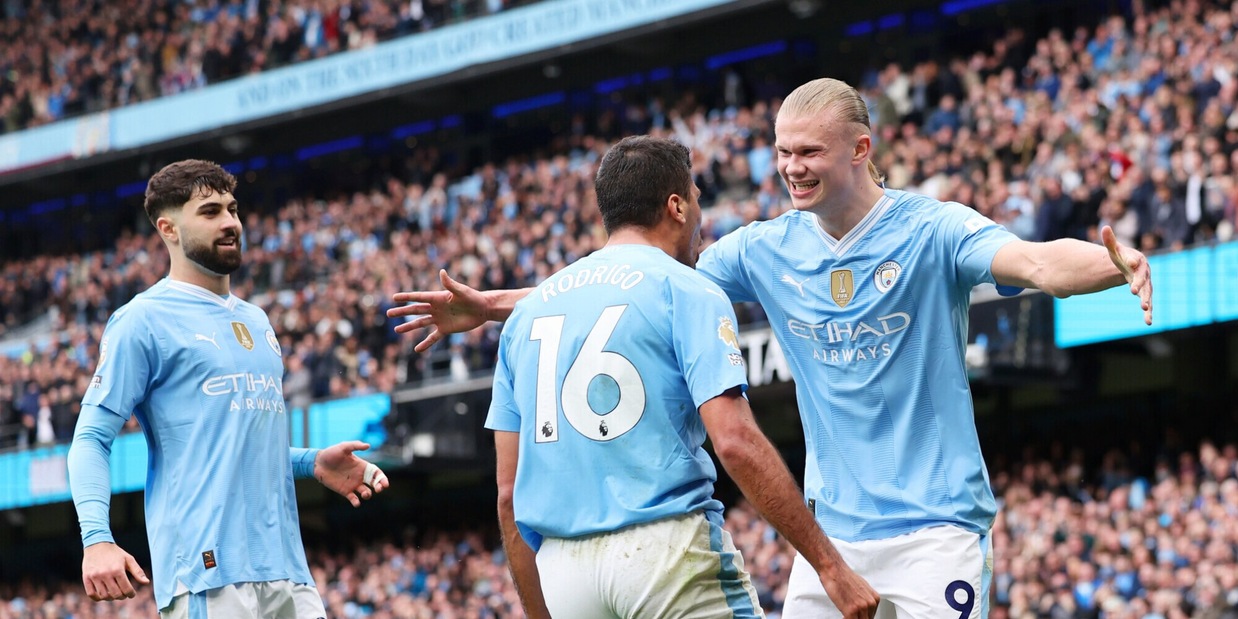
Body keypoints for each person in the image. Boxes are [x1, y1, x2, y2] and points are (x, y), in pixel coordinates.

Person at [388, 78, 1154, 618]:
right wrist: (490, 305)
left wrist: (1114, 263)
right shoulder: (763, 248)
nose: (790, 167)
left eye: (808, 152)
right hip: (834, 534)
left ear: (860, 148)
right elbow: (632, 284)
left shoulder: (932, 229)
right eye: (783, 152)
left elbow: (1040, 263)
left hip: (935, 530)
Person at [481, 136, 877, 618]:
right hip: (665, 555)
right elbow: (734, 442)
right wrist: (829, 566)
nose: (700, 216)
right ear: (676, 207)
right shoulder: (686, 287)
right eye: (696, 199)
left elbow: (507, 496)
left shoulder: (525, 316)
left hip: (563, 573)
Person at [68, 160, 390, 618]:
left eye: (233, 209)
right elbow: (91, 439)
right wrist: (97, 539)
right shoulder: (142, 321)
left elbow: (233, 443)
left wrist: (310, 462)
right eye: (210, 211)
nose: (230, 223)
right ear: (169, 229)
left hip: (288, 571)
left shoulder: (256, 321)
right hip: (208, 574)